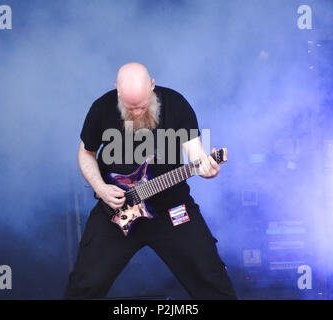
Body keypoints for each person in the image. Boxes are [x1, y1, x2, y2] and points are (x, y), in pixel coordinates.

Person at [64, 62, 237, 300]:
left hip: (172, 209)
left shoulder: (176, 104)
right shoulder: (101, 108)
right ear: (117, 90)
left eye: (142, 105)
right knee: (85, 286)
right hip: (117, 212)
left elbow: (195, 154)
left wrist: (207, 168)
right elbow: (86, 153)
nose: (136, 112)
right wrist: (100, 188)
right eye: (129, 106)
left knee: (211, 280)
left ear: (152, 86)